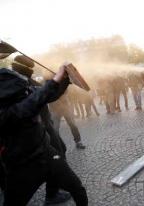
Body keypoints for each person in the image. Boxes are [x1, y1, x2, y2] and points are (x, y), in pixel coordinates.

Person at [0, 64, 88, 205]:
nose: (27, 92)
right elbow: (30, 105)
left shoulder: (23, 92)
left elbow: (47, 94)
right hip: (21, 166)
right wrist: (55, 80)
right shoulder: (6, 111)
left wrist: (64, 79)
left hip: (47, 154)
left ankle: (52, 194)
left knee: (78, 189)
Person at [11, 55, 72, 204]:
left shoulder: (23, 81)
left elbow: (48, 92)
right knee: (55, 157)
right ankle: (51, 194)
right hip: (38, 130)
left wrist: (63, 81)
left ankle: (52, 191)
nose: (31, 71)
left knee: (59, 152)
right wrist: (60, 81)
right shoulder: (19, 84)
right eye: (29, 68)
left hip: (43, 127)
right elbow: (44, 95)